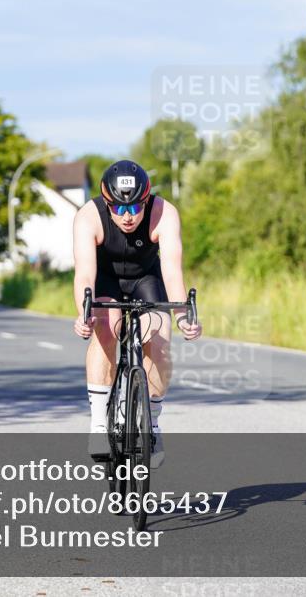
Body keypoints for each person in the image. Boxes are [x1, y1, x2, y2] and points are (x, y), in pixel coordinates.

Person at [72, 160, 202, 468]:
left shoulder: (164, 213)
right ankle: (99, 423)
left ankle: (153, 423)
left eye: (134, 208)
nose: (127, 217)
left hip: (147, 278)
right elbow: (85, 275)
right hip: (105, 279)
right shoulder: (88, 217)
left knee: (159, 335)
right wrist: (85, 314)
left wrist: (183, 315)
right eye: (118, 209)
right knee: (106, 325)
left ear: (146, 200)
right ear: (107, 203)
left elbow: (171, 270)